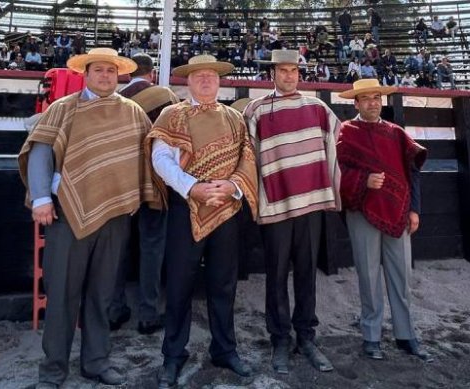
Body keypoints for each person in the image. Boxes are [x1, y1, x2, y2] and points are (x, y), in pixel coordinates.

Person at [17, 48, 159, 389]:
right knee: (63, 294)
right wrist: (40, 199)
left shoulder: (134, 113)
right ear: (86, 73)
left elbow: (150, 153)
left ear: (119, 74)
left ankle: (96, 362)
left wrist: (141, 194)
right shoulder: (63, 109)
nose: (106, 76)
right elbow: (39, 152)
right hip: (66, 214)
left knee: (103, 295)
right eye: (99, 70)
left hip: (115, 216)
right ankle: (52, 371)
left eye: (111, 71)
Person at [145, 55, 259, 388]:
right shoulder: (172, 114)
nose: (206, 80)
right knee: (179, 284)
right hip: (186, 210)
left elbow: (247, 159)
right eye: (199, 76)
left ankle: (224, 349)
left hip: (227, 210)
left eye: (211, 75)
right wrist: (193, 188)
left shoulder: (235, 118)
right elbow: (161, 160)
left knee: (224, 284)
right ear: (188, 81)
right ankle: (173, 355)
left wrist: (233, 186)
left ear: (219, 81)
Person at [244, 49, 341, 375]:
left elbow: (336, 146)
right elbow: (248, 159)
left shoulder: (318, 108)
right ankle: (280, 339)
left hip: (311, 204)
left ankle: (306, 337)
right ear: (272, 73)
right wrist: (257, 200)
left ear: (300, 73)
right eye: (282, 70)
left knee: (306, 272)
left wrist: (332, 192)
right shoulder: (255, 110)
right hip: (275, 205)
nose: (289, 76)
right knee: (275, 274)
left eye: (293, 70)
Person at [337, 78, 431, 363]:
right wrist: (364, 180)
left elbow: (413, 171)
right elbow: (336, 171)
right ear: (355, 103)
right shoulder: (345, 133)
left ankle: (406, 335)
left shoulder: (396, 133)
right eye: (365, 98)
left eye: (377, 97)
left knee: (401, 275)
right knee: (368, 276)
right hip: (362, 211)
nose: (372, 103)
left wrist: (414, 209)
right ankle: (371, 336)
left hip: (398, 213)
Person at [109, 53, 180, 336]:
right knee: (152, 247)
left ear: (129, 74)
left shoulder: (115, 99)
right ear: (151, 74)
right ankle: (148, 313)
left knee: (118, 248)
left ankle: (115, 309)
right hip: (155, 181)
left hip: (121, 183)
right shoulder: (164, 95)